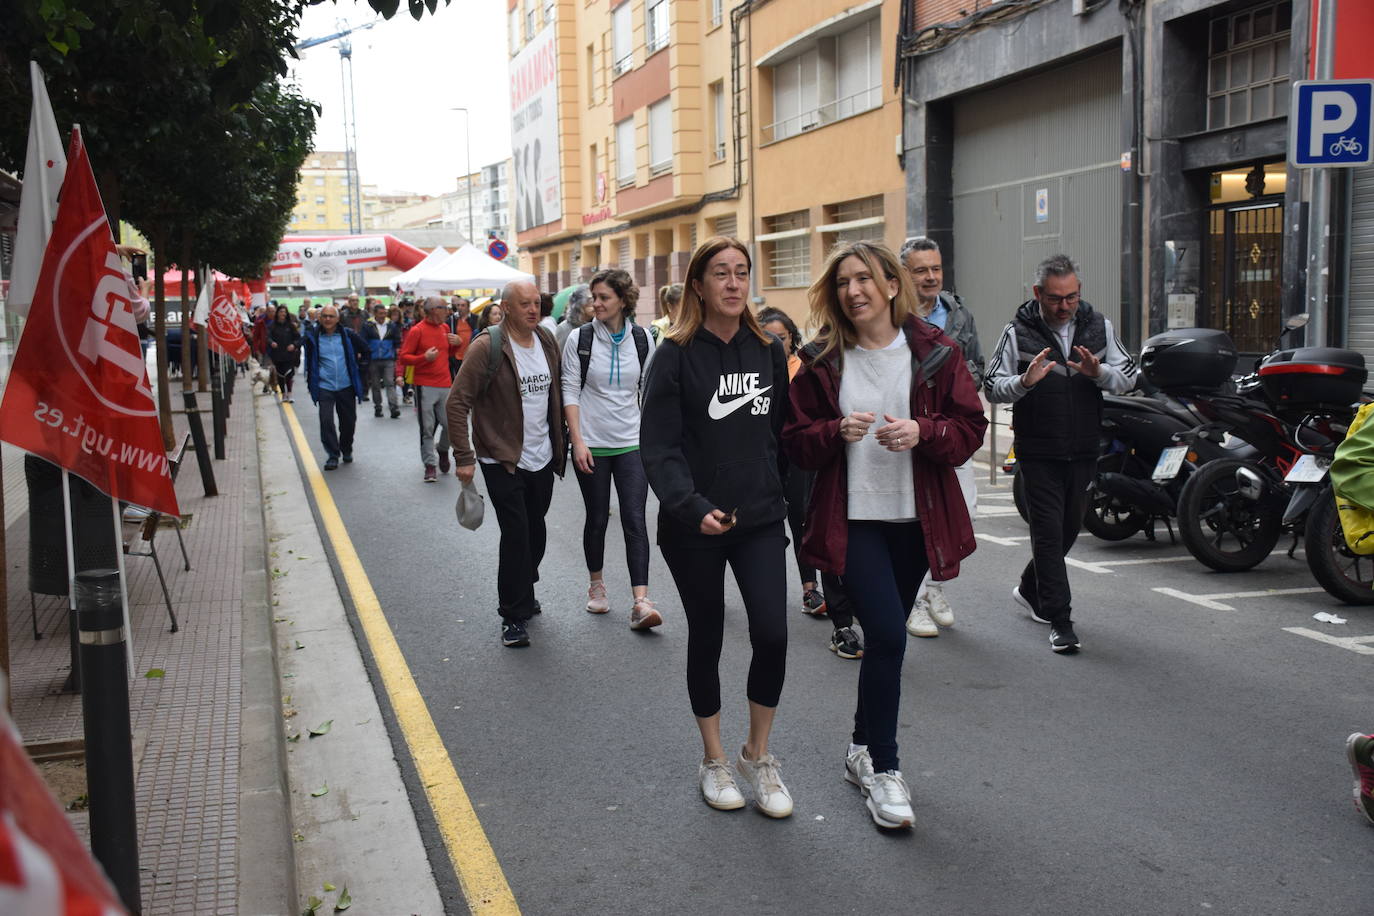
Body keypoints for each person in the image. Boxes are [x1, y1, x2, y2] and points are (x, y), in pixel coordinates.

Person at [782, 240, 986, 830]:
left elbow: (970, 427)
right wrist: (832, 430)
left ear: (892, 286)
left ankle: (858, 750)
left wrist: (923, 430)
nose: (854, 291)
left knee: (885, 640)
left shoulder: (934, 352)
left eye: (865, 279)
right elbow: (795, 440)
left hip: (917, 519)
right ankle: (887, 771)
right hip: (854, 522)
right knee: (890, 638)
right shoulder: (821, 358)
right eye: (843, 282)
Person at [640, 236, 793, 819]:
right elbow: (658, 446)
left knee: (773, 635)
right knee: (708, 636)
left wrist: (785, 503)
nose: (733, 283)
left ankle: (759, 754)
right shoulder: (674, 354)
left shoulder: (768, 350)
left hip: (757, 519)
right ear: (698, 285)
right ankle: (714, 758)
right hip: (693, 525)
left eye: (742, 272)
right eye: (721, 274)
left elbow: (777, 437)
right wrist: (689, 503)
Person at [985, 253, 1136, 653]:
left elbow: (1130, 377)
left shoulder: (1099, 326)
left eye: (1071, 296)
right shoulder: (1017, 331)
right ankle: (1061, 620)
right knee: (1048, 535)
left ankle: (1031, 588)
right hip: (1037, 451)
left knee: (1069, 530)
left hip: (1084, 448)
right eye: (1055, 298)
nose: (1064, 305)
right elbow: (992, 385)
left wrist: (1098, 374)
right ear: (1038, 293)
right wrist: (1024, 381)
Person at [448, 280, 565, 648]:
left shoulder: (546, 341)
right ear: (507, 307)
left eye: (537, 303)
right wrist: (464, 457)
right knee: (516, 533)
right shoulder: (488, 346)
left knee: (536, 530)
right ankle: (513, 615)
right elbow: (457, 403)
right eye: (525, 304)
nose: (534, 310)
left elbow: (558, 393)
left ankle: (523, 586)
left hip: (541, 455)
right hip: (500, 457)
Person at [899, 236, 987, 638]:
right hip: (909, 432)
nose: (931, 277)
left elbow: (977, 364)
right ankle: (913, 599)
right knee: (919, 519)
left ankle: (931, 587)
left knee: (961, 511)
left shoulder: (958, 313)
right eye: (921, 270)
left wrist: (963, 386)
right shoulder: (892, 316)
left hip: (950, 429)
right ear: (904, 274)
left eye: (935, 268)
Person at [562, 268, 659, 629]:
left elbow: (648, 389)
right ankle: (597, 586)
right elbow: (569, 388)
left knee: (635, 519)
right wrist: (578, 441)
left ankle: (641, 601)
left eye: (603, 297)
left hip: (632, 442)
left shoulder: (643, 338)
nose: (596, 304)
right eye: (594, 297)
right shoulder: (579, 338)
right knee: (598, 518)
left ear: (623, 299)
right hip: (593, 444)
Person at [397, 297, 462, 482]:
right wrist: (423, 358)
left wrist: (457, 343)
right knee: (427, 428)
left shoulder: (445, 328)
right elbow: (404, 357)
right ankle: (430, 465)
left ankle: (442, 449)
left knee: (451, 425)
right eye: (444, 308)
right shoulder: (417, 330)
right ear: (434, 309)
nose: (448, 311)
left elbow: (447, 353)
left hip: (445, 383)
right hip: (424, 385)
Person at [302, 304, 369, 471]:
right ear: (319, 318)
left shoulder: (348, 335)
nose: (327, 319)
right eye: (324, 316)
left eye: (331, 316)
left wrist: (359, 371)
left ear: (338, 319)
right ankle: (332, 454)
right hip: (324, 386)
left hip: (346, 386)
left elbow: (366, 351)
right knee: (326, 420)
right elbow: (309, 361)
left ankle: (346, 448)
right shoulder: (313, 337)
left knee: (348, 422)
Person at [361, 302, 403, 418]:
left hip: (388, 358)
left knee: (390, 382)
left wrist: (397, 349)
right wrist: (365, 352)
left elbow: (397, 340)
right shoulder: (368, 325)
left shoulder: (392, 325)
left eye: (384, 313)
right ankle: (378, 406)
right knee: (375, 385)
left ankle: (393, 407)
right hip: (373, 358)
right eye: (380, 313)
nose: (383, 316)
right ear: (375, 314)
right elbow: (363, 341)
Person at [266, 305, 302, 403]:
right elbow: (268, 337)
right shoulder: (272, 326)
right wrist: (271, 342)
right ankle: (283, 394)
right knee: (280, 375)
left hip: (289, 354)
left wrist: (294, 345)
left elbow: (298, 338)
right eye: (281, 312)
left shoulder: (290, 326)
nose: (283, 314)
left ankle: (290, 393)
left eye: (284, 312)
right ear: (277, 313)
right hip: (277, 354)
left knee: (289, 374)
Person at [555, 284, 593, 349]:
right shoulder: (564, 329)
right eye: (591, 301)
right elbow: (561, 356)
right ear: (580, 304)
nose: (595, 304)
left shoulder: (598, 325)